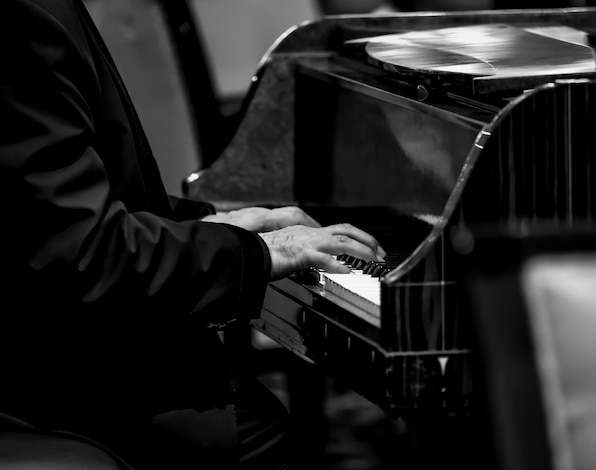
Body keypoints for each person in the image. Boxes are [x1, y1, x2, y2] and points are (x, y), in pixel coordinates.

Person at [0, 0, 386, 469]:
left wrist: (206, 224)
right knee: (260, 429)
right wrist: (260, 254)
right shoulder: (23, 13)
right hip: (45, 379)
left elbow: (44, 212)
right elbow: (81, 254)